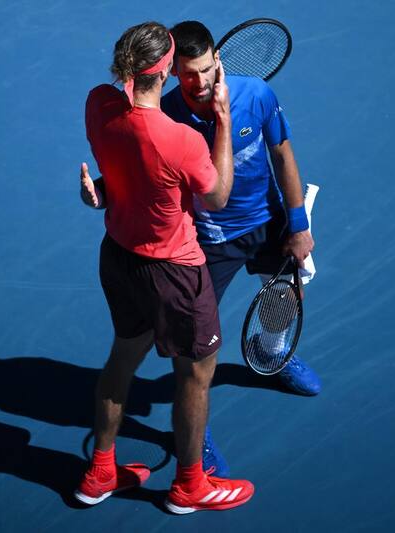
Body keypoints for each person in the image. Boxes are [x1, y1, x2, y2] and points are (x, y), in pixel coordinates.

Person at [81, 20, 321, 475]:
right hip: (207, 241)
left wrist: (298, 222)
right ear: (173, 74)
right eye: (189, 74)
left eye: (208, 69)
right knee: (192, 356)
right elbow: (143, 174)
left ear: (219, 61)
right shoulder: (166, 116)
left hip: (267, 221)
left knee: (290, 287)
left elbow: (283, 155)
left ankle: (271, 351)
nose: (202, 82)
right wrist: (102, 189)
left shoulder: (256, 94)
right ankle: (192, 430)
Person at [74, 21, 254, 514]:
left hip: (118, 259)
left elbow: (125, 170)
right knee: (195, 376)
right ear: (169, 72)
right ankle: (190, 486)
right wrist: (220, 118)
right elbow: (215, 196)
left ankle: (100, 473)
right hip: (174, 273)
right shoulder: (180, 140)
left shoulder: (97, 103)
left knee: (122, 359)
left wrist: (104, 193)